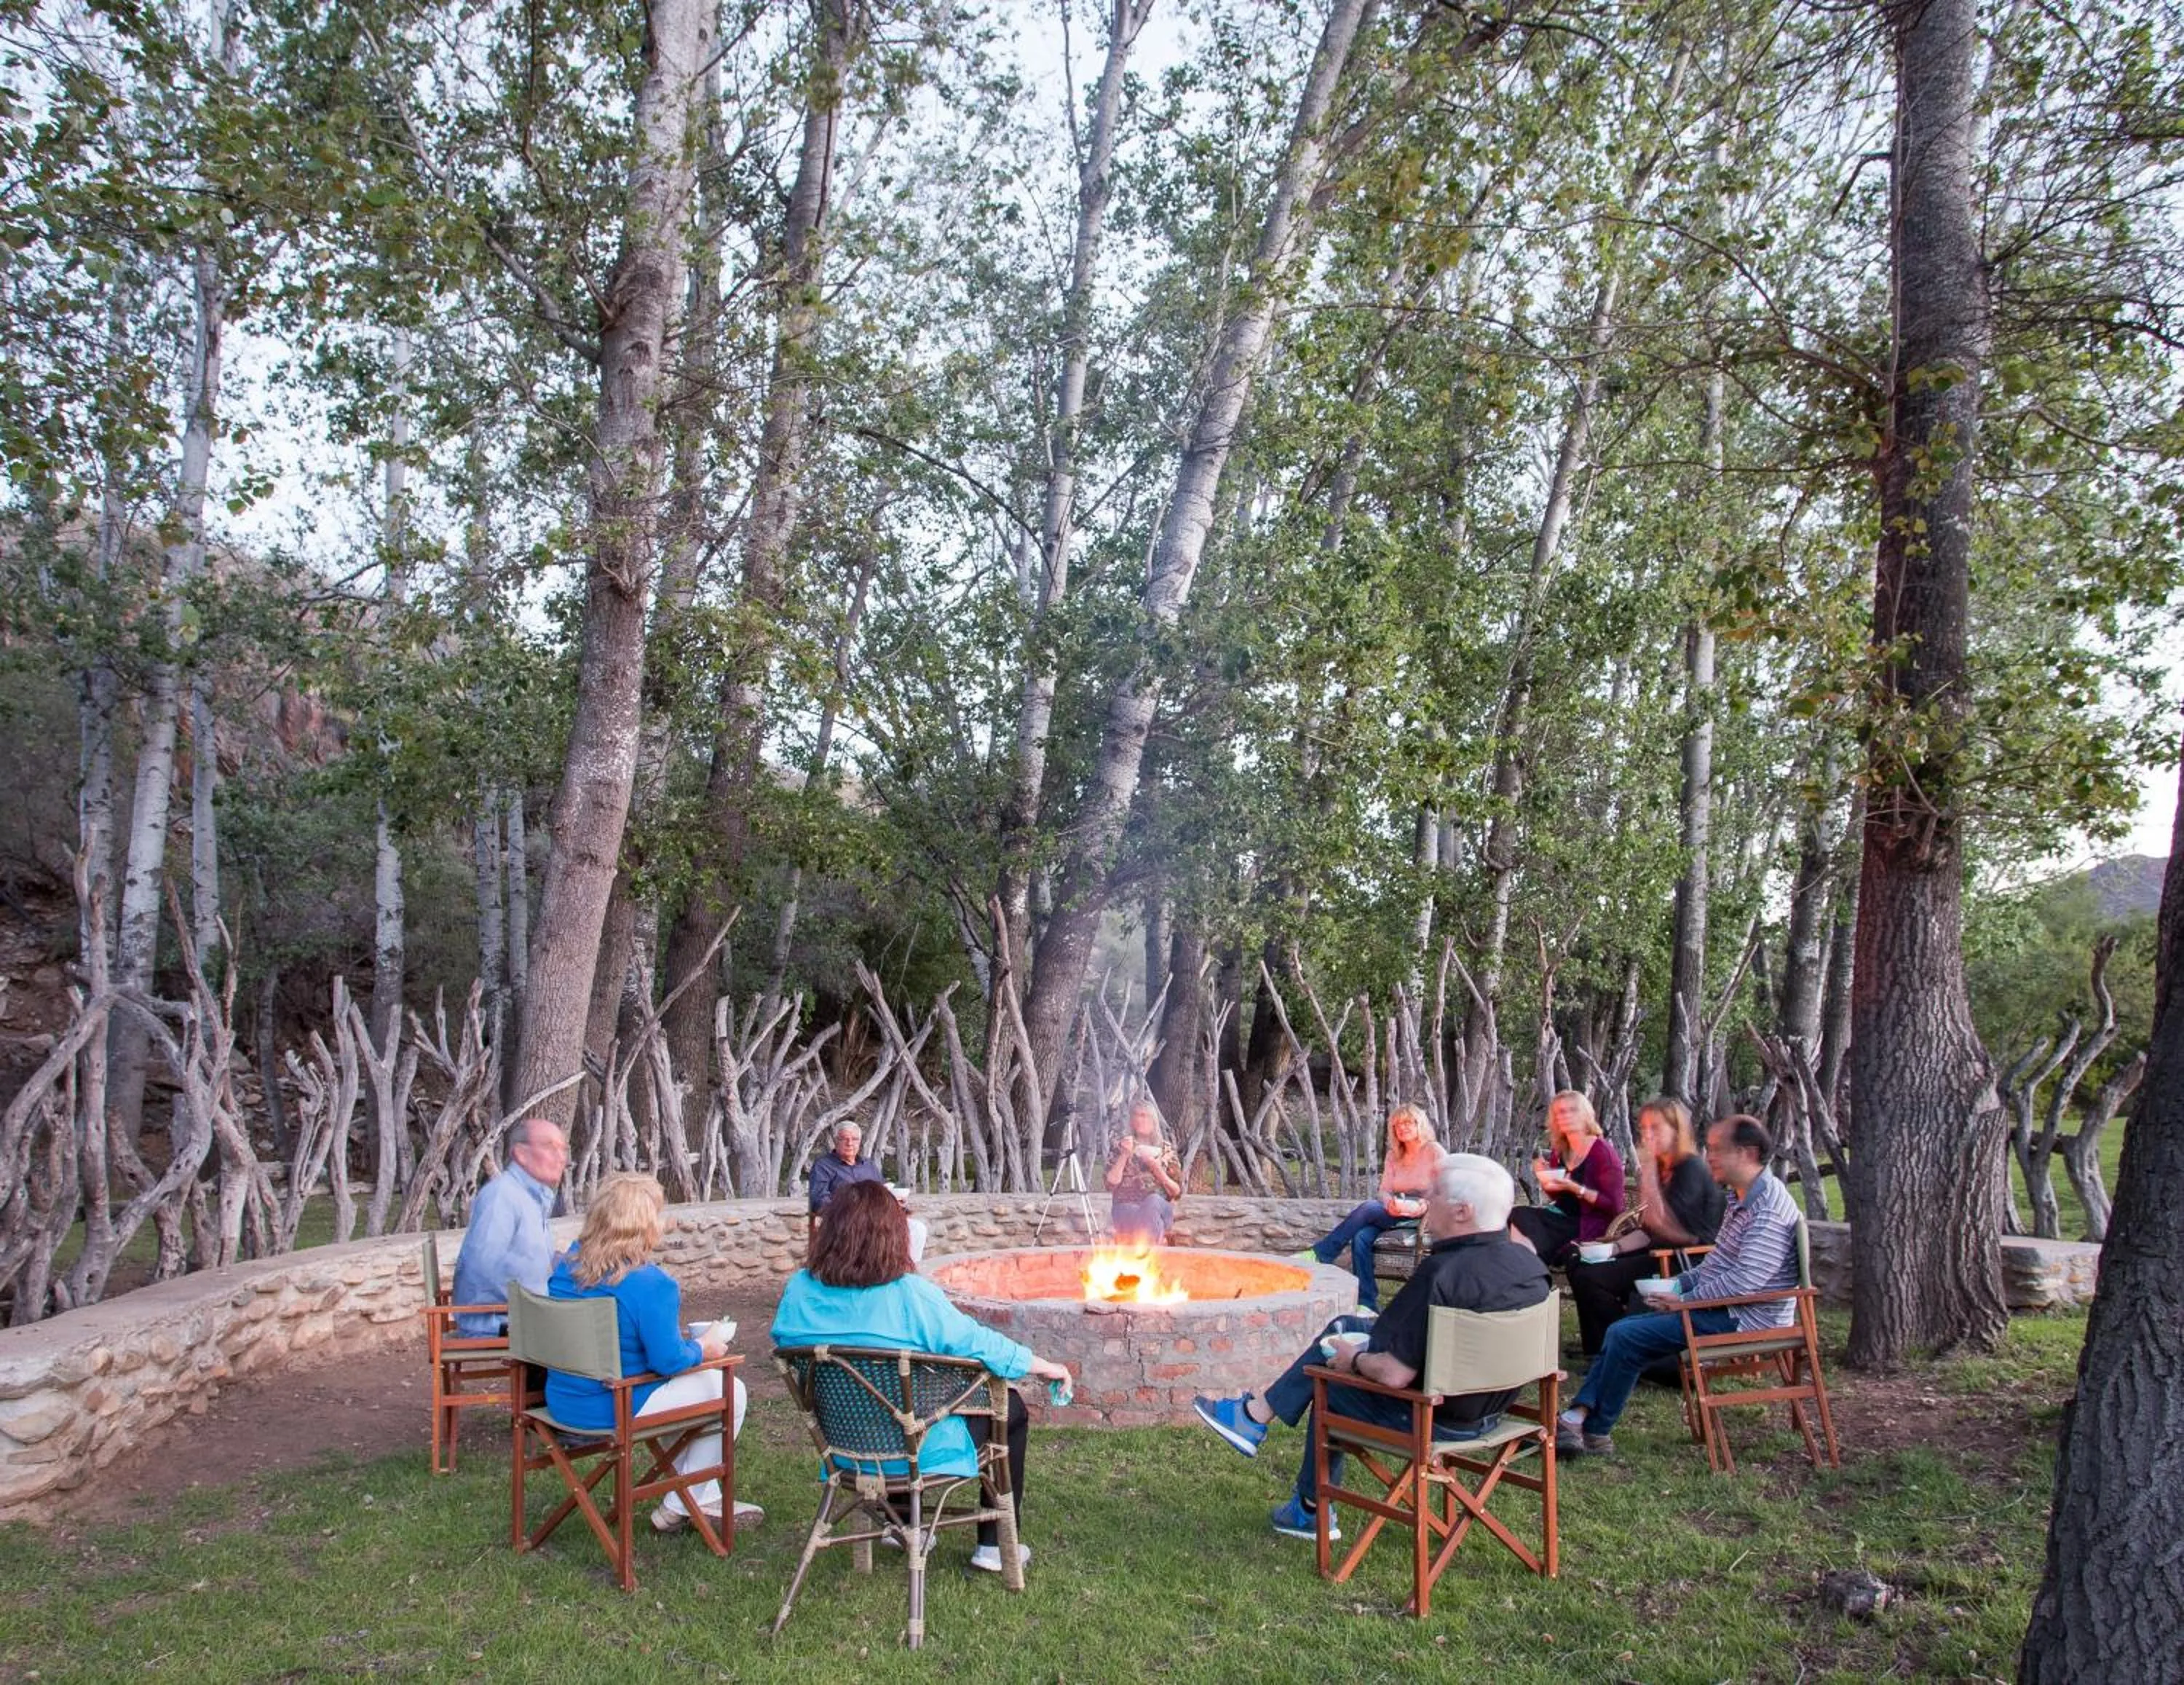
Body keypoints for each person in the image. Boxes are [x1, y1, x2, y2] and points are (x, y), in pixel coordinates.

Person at [1193, 1153, 1550, 1542]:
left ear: (1463, 1211)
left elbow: (1393, 1375)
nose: (1426, 1203)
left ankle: (1309, 1509)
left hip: (1434, 1418)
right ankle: (1252, 1417)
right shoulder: (1530, 1267)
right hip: (1497, 1412)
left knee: (1328, 1379)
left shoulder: (1443, 1274)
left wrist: (1355, 1359)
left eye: (1436, 1195)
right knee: (1346, 1325)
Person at [772, 1180, 1074, 1574]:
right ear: (893, 1235)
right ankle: (992, 1547)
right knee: (1010, 1407)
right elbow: (978, 1345)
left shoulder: (798, 1291)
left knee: (888, 1405)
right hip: (916, 1452)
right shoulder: (910, 1294)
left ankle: (901, 1525)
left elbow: (784, 1343)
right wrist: (1048, 1366)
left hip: (843, 1448)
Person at [1556, 1113, 1799, 1459]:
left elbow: (1746, 1282)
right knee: (1625, 1333)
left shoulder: (1768, 1208)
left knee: (1626, 1335)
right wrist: (1677, 1285)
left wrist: (1685, 1301)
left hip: (1748, 1318)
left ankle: (1582, 1424)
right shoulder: (1741, 1199)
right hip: (1727, 1308)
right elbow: (1716, 1264)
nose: (1708, 1156)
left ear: (1747, 1153)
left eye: (1716, 1149)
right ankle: (1584, 1425)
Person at [545, 1173, 761, 1534]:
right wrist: (704, 1347)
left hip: (562, 1401)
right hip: (616, 1403)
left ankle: (700, 1497)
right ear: (642, 1225)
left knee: (689, 1393)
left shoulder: (566, 1270)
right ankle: (681, 1503)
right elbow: (668, 1362)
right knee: (729, 1390)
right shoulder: (651, 1284)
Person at [1563, 1096, 1726, 1356]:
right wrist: (1612, 1248)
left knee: (1592, 1278)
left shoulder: (1690, 1169)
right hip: (1658, 1250)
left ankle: (1620, 1344)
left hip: (1684, 1260)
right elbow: (1649, 1231)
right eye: (1644, 1128)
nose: (1647, 1135)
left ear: (1676, 1130)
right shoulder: (1665, 1167)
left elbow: (1670, 1230)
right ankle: (1602, 1344)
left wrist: (1648, 1176)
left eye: (1655, 1128)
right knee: (1577, 1258)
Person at [1294, 1104, 1444, 1311]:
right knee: (1362, 1236)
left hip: (1423, 1213)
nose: (1402, 1128)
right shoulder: (1393, 1155)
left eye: (1408, 1122)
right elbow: (1384, 1190)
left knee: (1367, 1209)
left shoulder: (1434, 1151)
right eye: (1397, 1125)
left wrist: (1424, 1204)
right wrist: (1389, 1203)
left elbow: (1447, 1187)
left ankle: (1322, 1254)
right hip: (1396, 1209)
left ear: (1420, 1125)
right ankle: (1367, 1303)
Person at [451, 1116, 568, 1335]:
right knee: (597, 1333)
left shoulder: (531, 1198)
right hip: (498, 1320)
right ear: (521, 1154)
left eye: (563, 1149)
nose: (560, 1158)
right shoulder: (502, 1196)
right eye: (549, 1147)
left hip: (524, 1314)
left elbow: (532, 1260)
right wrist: (540, 1303)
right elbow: (483, 1268)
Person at [1509, 1090, 1626, 1266]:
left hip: (1589, 1224)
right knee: (1512, 1216)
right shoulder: (1560, 1151)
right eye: (1559, 1112)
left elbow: (1615, 1207)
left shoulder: (1602, 1152)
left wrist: (1578, 1189)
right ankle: (1527, 1268)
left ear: (1586, 1115)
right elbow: (1559, 1198)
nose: (1565, 1116)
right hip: (1560, 1217)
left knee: (1524, 1220)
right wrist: (1545, 1179)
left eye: (1572, 1110)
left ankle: (1530, 1271)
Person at [1105, 1101, 1184, 1245]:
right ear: (1131, 1121)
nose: (1139, 1120)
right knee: (1139, 1212)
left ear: (1153, 1121)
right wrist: (1124, 1155)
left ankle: (1146, 1252)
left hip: (1160, 1209)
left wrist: (1157, 1169)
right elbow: (1110, 1184)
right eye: (1135, 1116)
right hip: (1126, 1209)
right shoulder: (1120, 1147)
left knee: (1152, 1201)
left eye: (1144, 1116)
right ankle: (1154, 1250)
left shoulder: (1166, 1150)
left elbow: (1176, 1192)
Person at [808, 1121, 885, 1214]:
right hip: (841, 1222)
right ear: (836, 1141)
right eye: (844, 1139)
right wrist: (848, 1213)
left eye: (855, 1139)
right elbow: (819, 1200)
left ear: (860, 1142)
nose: (850, 1143)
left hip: (874, 1219)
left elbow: (882, 1192)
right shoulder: (823, 1166)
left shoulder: (869, 1165)